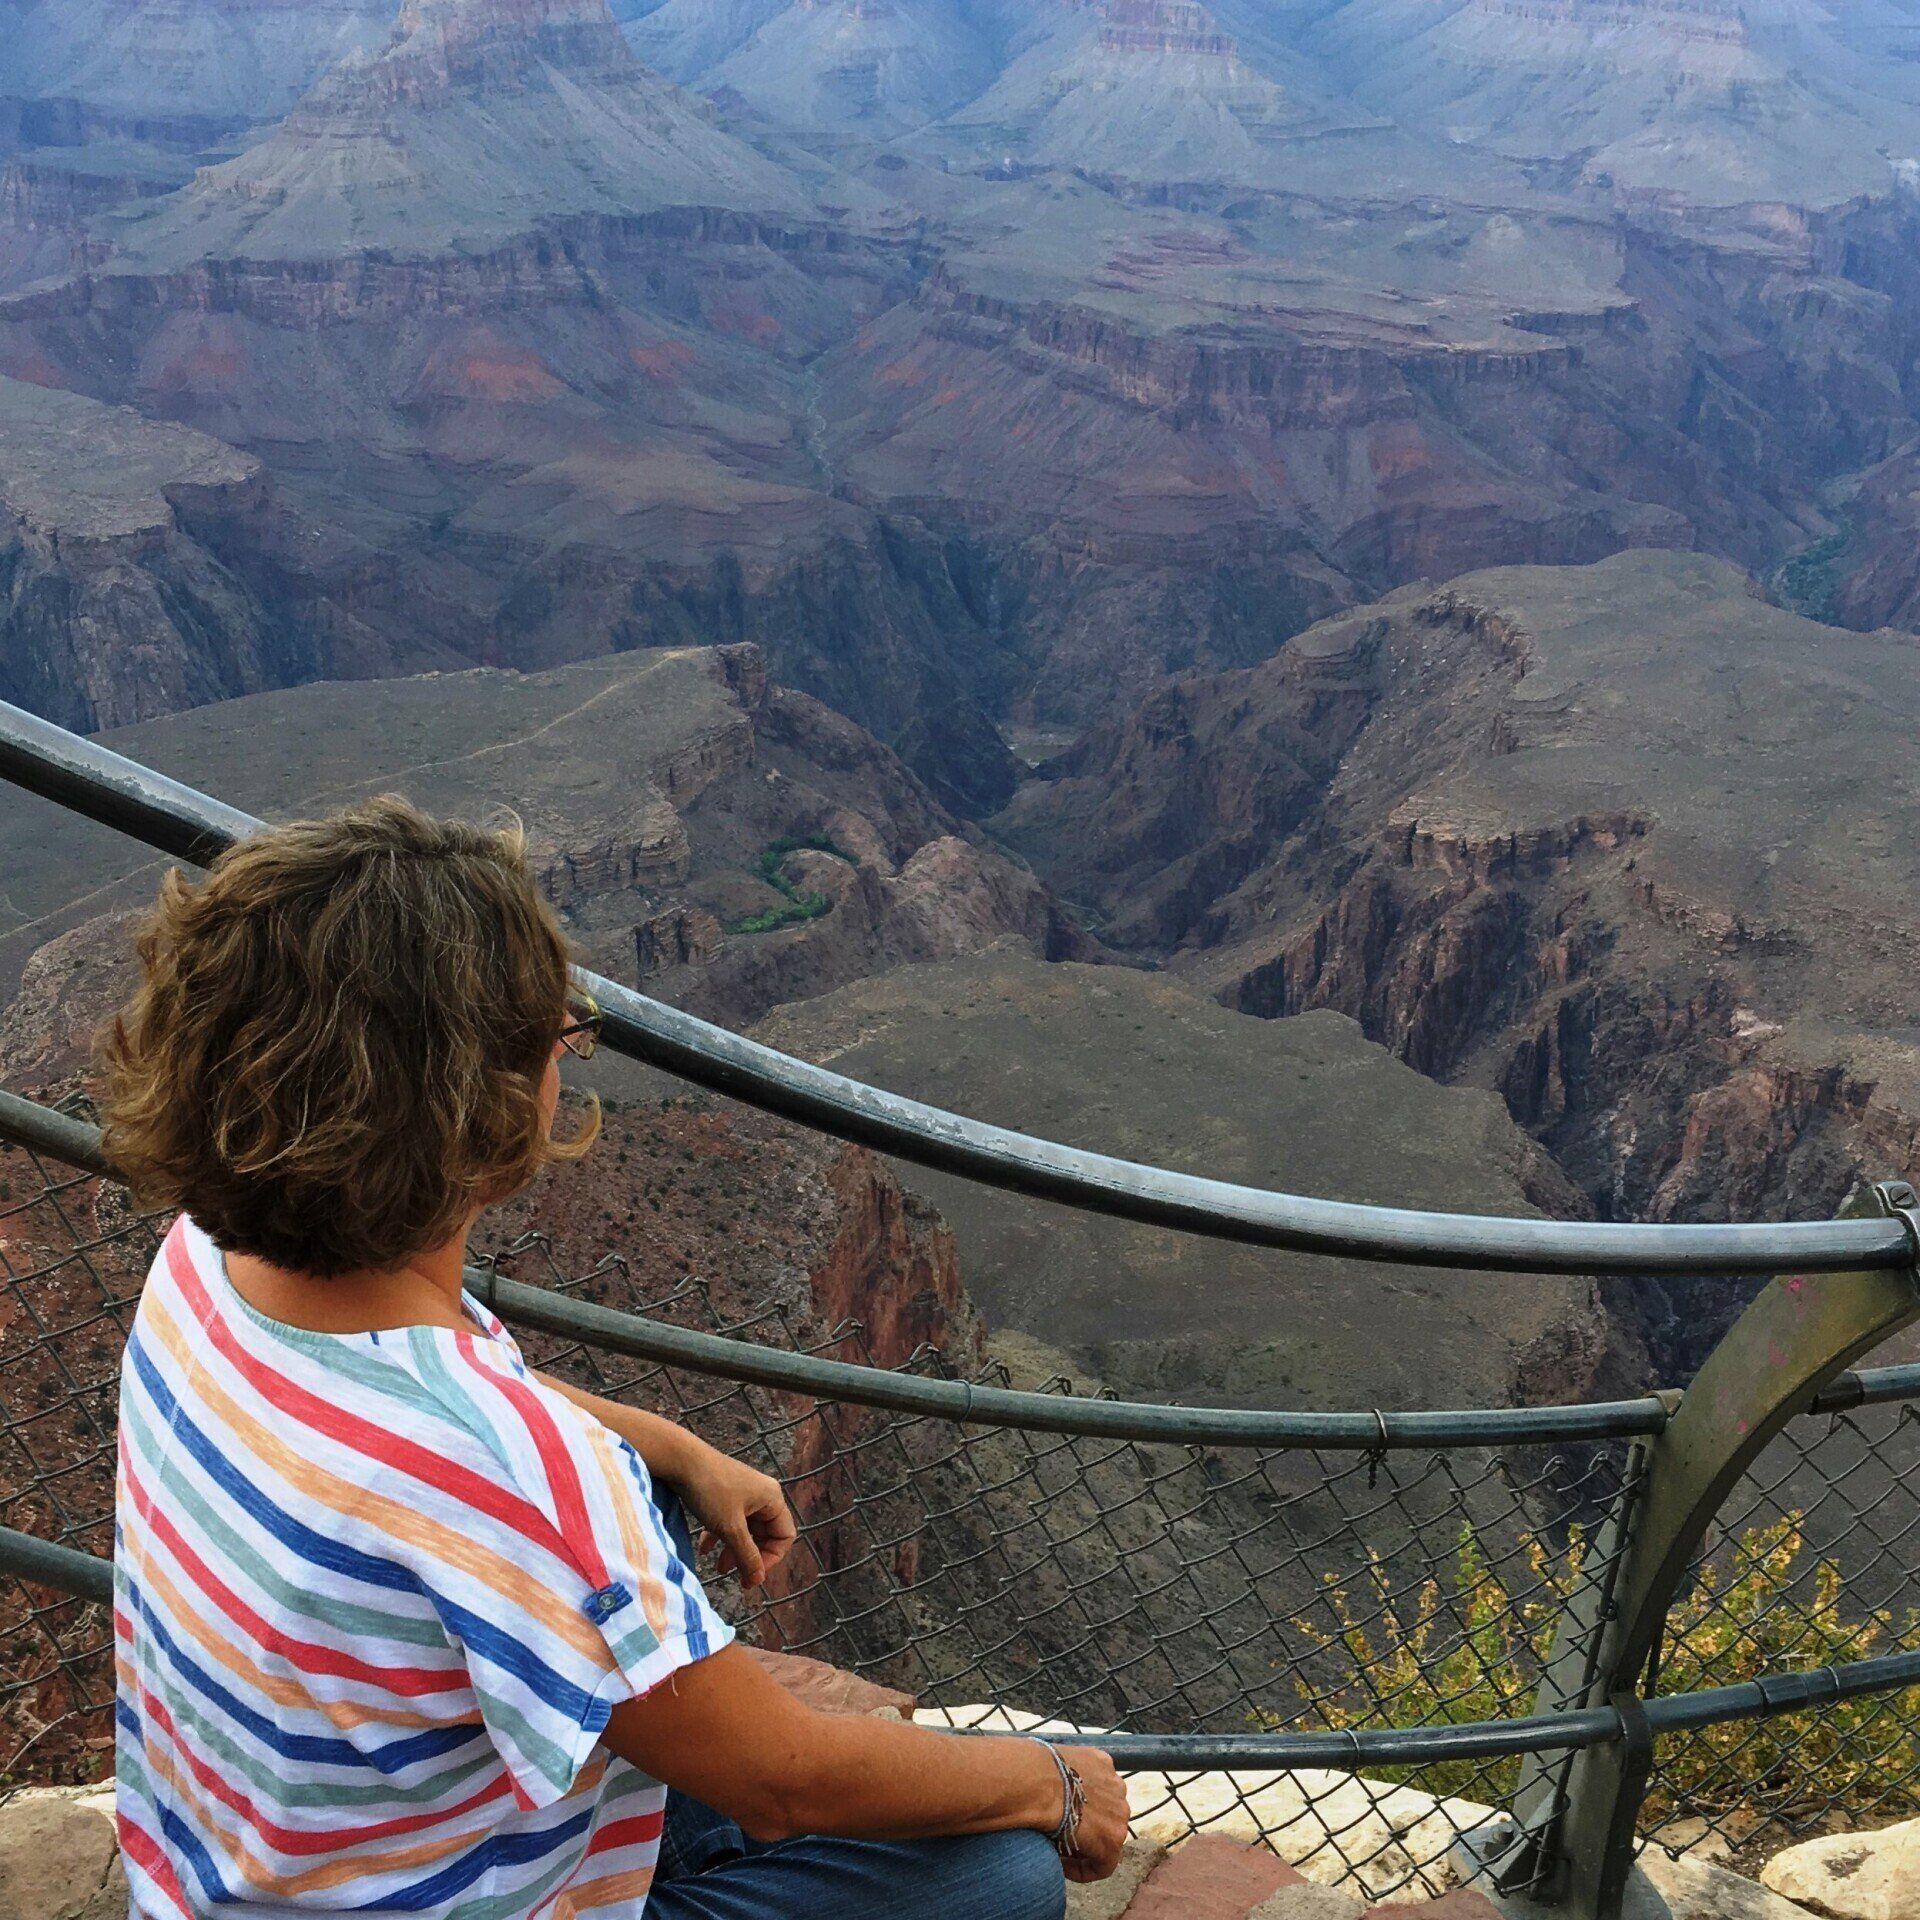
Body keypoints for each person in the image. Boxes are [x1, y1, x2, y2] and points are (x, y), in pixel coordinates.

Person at [97, 797, 1128, 1920]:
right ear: (476, 1099)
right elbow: (782, 1779)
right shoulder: (513, 1474)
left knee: (638, 1504)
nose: (567, 1047)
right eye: (553, 1028)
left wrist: (672, 1446)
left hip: (230, 1872)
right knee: (998, 1873)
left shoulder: (200, 1263)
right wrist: (1054, 1781)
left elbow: (396, 1429)